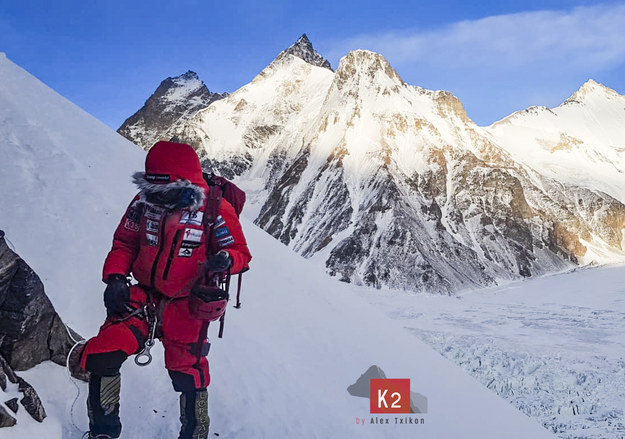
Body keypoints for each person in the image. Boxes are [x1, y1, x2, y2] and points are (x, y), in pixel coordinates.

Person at [80, 141, 251, 439]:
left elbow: (240, 252)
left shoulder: (215, 209)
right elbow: (125, 243)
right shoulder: (143, 203)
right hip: (143, 298)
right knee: (103, 353)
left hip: (187, 306)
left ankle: (195, 434)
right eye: (153, 189)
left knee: (189, 374)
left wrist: (226, 260)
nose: (159, 198)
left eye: (165, 191)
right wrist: (116, 277)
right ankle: (103, 432)